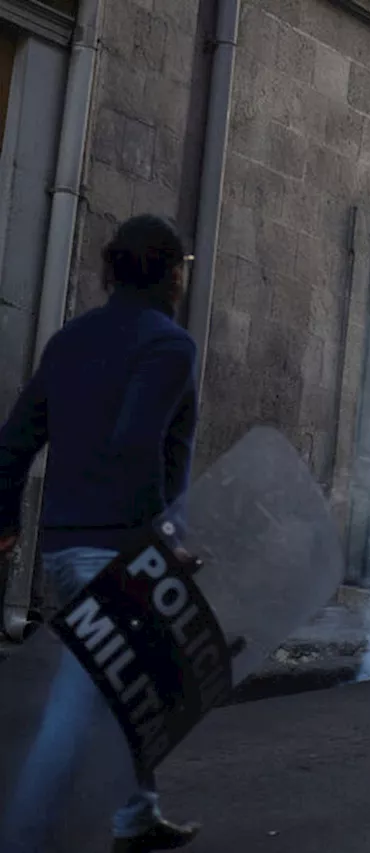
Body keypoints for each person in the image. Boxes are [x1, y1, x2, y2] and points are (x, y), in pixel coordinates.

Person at [0, 215, 200, 851]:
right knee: (80, 699)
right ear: (173, 273)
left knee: (128, 684)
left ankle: (136, 815)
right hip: (118, 550)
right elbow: (137, 444)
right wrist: (163, 537)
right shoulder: (167, 345)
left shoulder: (70, 340)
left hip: (63, 546)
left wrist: (6, 521)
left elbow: (15, 440)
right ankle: (24, 836)